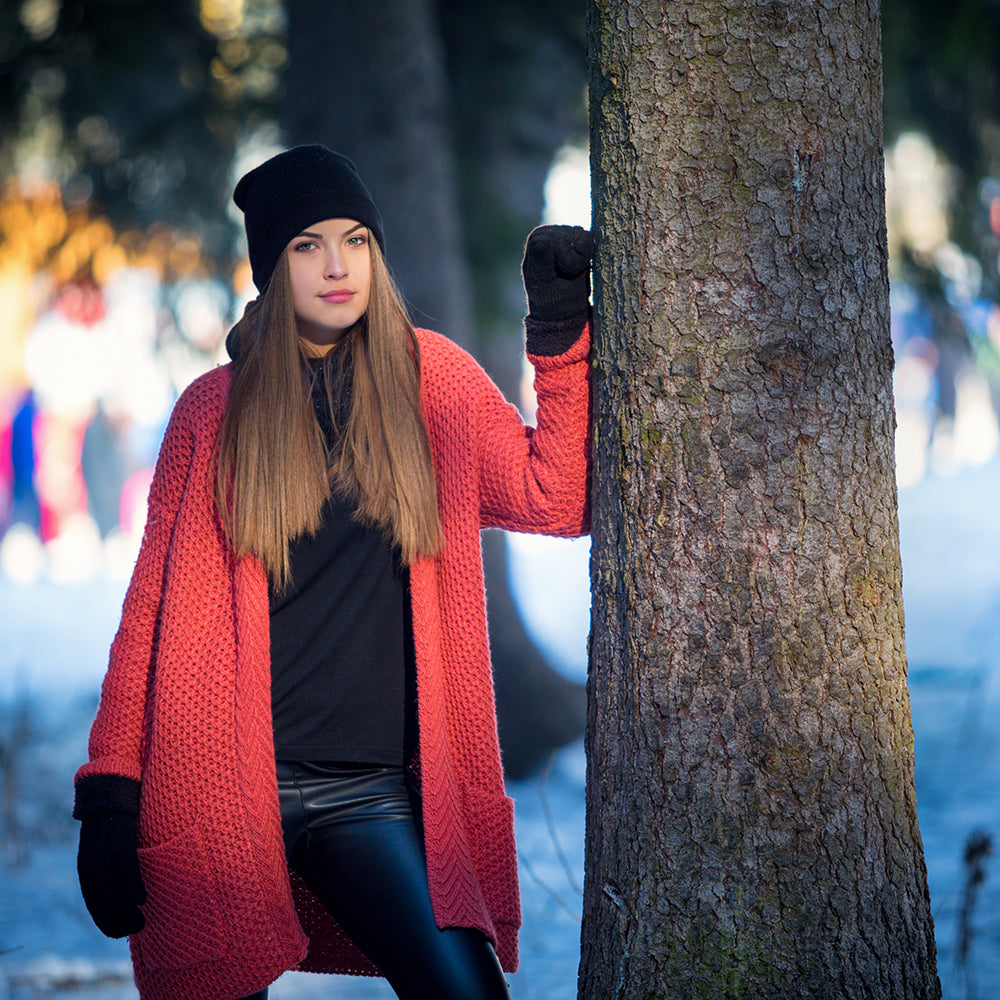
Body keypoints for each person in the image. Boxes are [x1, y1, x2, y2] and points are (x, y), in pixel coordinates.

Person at [72, 144, 593, 1000]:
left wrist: (559, 336)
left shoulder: (435, 384)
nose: (338, 264)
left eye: (355, 239)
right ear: (274, 268)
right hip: (218, 792)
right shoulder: (215, 411)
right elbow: (148, 619)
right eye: (309, 245)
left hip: (370, 798)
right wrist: (110, 795)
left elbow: (556, 497)